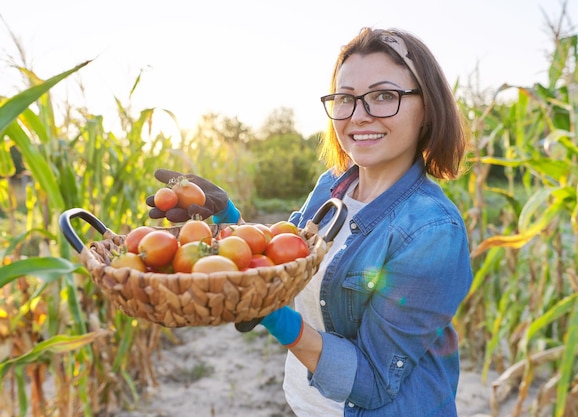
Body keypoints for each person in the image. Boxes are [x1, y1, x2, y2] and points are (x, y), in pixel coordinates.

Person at [148, 27, 473, 417]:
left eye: (384, 95)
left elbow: (372, 382)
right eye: (345, 98)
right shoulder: (331, 187)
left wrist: (274, 316)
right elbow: (285, 262)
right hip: (310, 406)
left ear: (427, 107)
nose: (359, 115)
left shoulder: (431, 231)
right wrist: (225, 217)